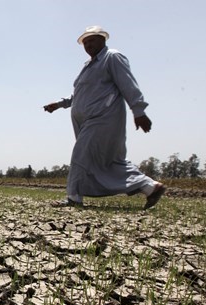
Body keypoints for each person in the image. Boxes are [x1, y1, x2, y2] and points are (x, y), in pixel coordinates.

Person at [43, 26, 166, 209]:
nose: (88, 45)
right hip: (87, 122)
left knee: (81, 154)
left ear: (103, 40)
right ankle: (149, 187)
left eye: (92, 40)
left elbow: (128, 84)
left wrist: (138, 111)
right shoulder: (88, 66)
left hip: (103, 118)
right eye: (85, 42)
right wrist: (59, 104)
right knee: (109, 162)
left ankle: (74, 197)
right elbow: (79, 94)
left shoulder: (112, 57)